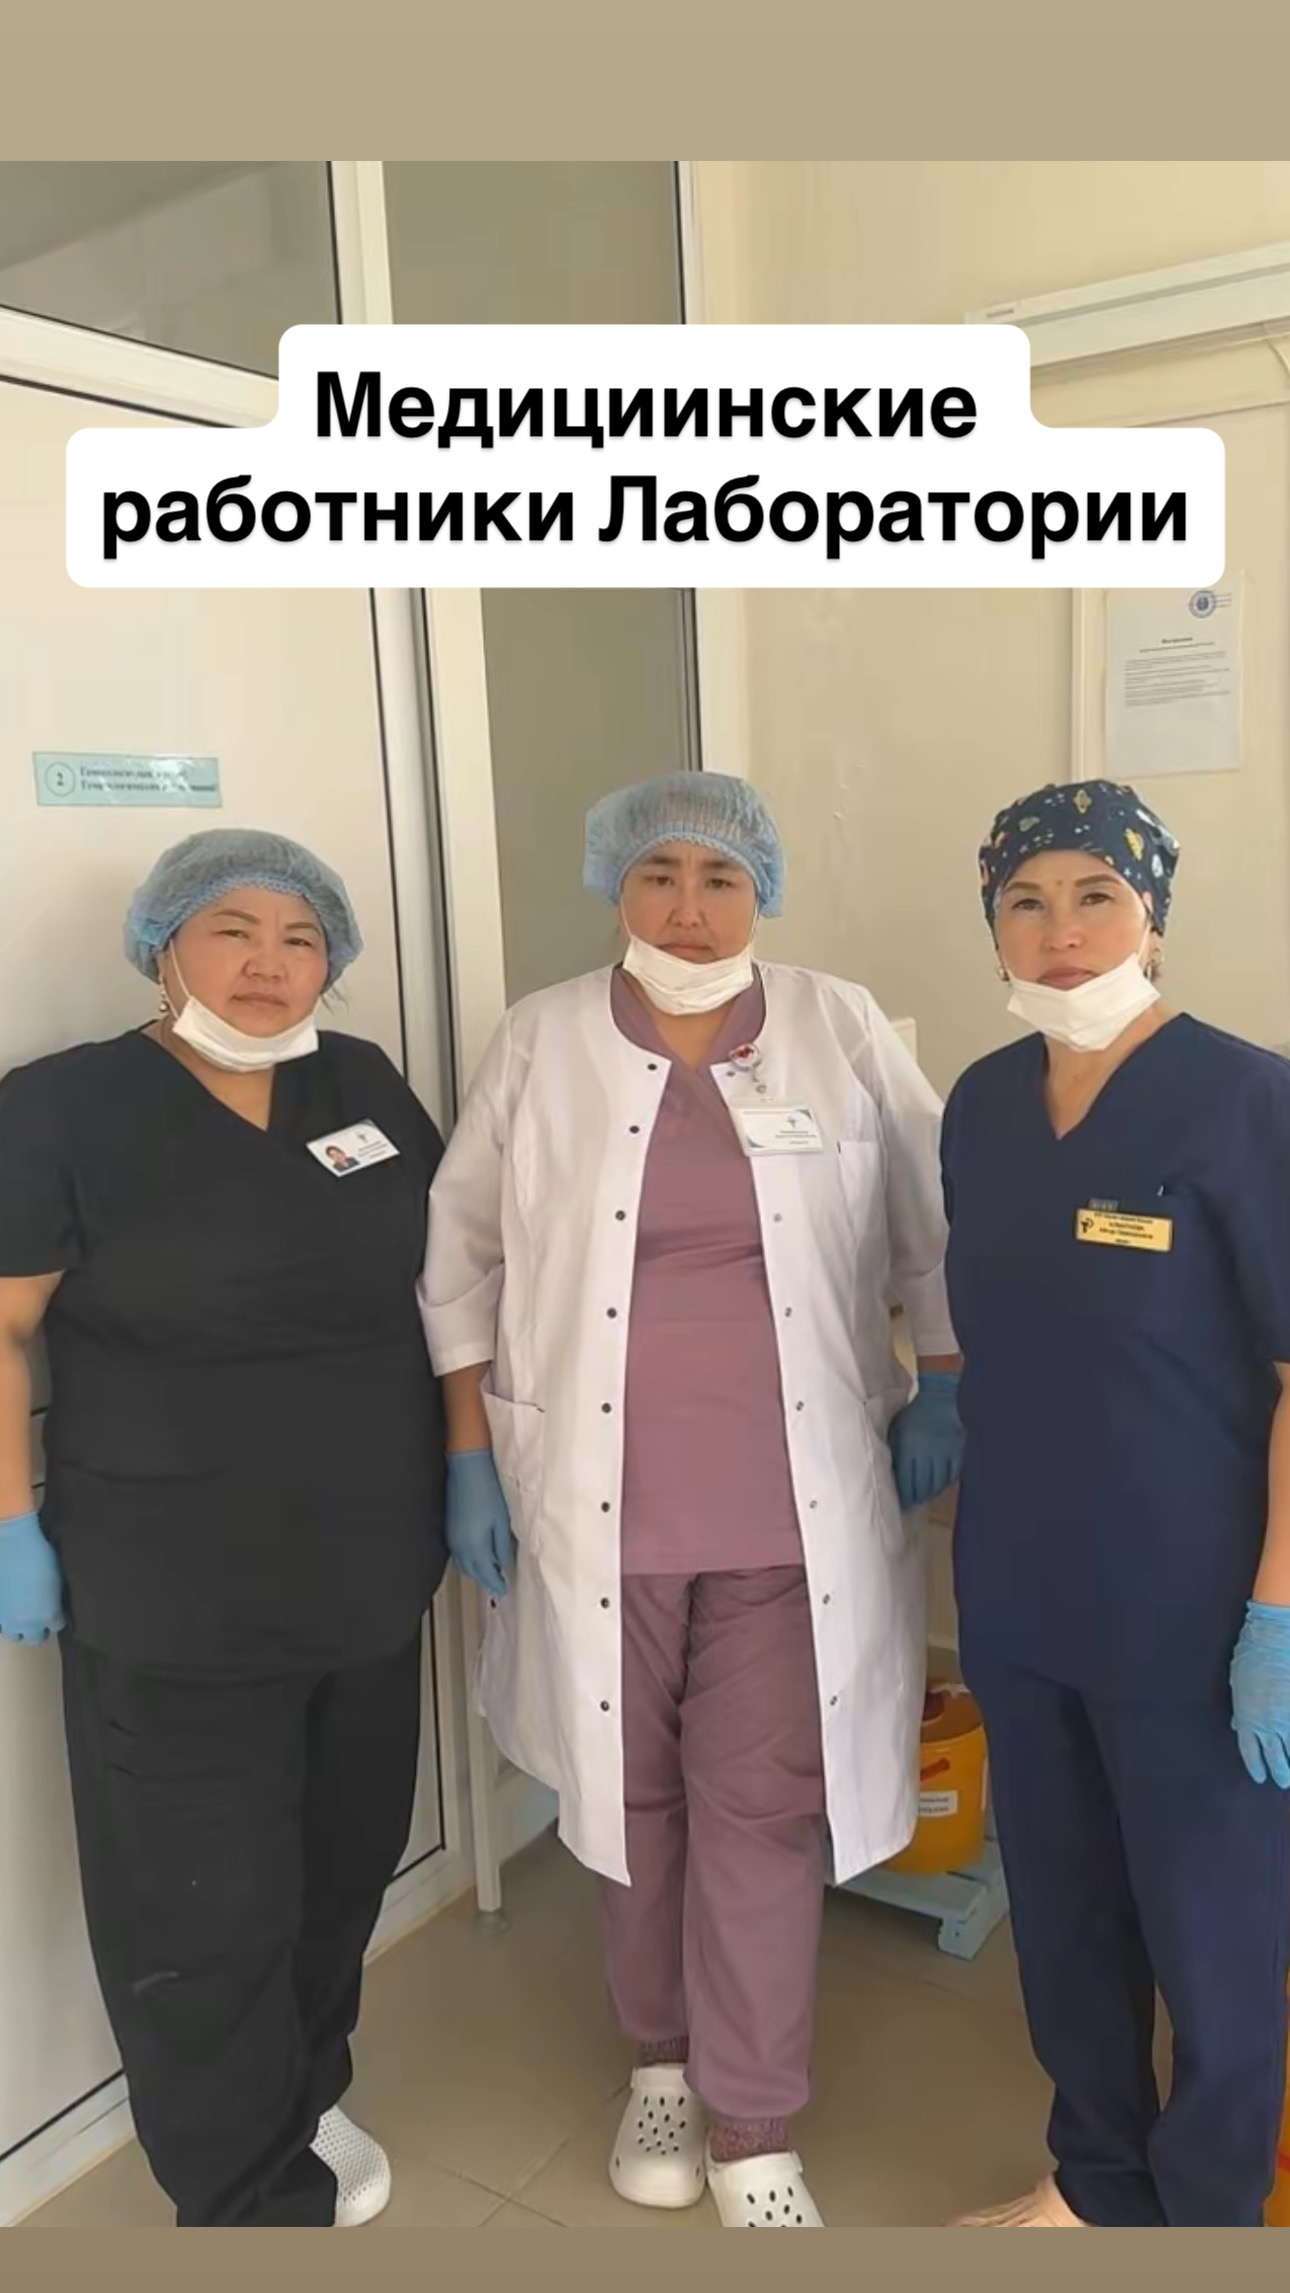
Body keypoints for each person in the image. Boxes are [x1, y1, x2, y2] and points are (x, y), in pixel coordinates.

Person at [419, 771, 963, 2228]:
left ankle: (751, 2118)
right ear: (616, 885)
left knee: (759, 1810)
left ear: (760, 892)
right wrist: (467, 1453)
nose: (687, 905)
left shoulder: (837, 1023)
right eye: (658, 872)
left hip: (793, 1512)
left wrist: (946, 1377)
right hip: (593, 1502)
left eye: (720, 877)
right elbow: (460, 1257)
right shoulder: (540, 1038)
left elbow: (931, 1217)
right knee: (627, 1796)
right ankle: (657, 2060)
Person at [0, 828, 448, 2228]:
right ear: (164, 947)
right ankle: (240, 2194)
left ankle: (300, 2093)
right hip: (170, 1588)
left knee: (340, 1864)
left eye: (300, 938)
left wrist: (473, 1470)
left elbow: (445, 1284)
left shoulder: (360, 1083)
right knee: (202, 1905)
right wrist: (10, 1521)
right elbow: (2, 1328)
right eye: (232, 930)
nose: (268, 963)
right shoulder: (64, 1106)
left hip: (367, 1568)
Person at [941, 779, 1290, 2230]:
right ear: (994, 927)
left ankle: (1203, 2215)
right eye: (1025, 901)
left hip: (1191, 1604)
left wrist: (1276, 1612)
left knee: (1212, 1936)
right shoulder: (979, 1104)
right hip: (1021, 1585)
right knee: (1065, 1910)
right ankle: (1093, 2181)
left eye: (1096, 895)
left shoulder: (1246, 1100)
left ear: (1152, 915)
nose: (1060, 930)